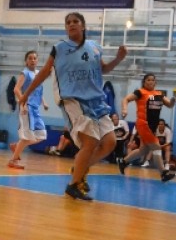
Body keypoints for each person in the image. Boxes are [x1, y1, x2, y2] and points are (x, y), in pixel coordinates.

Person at [18, 12, 127, 201]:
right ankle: (73, 185)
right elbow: (44, 72)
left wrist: (118, 59)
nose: (71, 25)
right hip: (73, 100)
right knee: (90, 142)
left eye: (75, 21)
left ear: (83, 26)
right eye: (68, 22)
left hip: (96, 100)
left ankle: (79, 169)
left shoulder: (94, 47)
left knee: (110, 142)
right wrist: (26, 95)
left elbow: (103, 69)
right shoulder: (59, 48)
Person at [118, 73, 176, 182]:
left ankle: (123, 162)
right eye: (148, 80)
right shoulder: (140, 92)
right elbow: (125, 99)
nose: (150, 82)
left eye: (152, 80)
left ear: (155, 82)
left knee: (143, 150)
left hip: (153, 126)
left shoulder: (159, 94)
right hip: (143, 123)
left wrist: (173, 100)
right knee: (156, 147)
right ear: (144, 82)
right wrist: (124, 109)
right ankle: (163, 173)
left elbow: (169, 105)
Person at [8, 50, 49, 169]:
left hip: (36, 109)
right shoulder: (25, 73)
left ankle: (17, 146)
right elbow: (16, 89)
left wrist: (44, 103)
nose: (32, 60)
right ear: (26, 61)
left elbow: (38, 91)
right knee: (26, 136)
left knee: (41, 135)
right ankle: (13, 160)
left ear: (37, 60)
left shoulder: (38, 74)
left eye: (35, 58)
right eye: (30, 58)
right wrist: (23, 103)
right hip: (27, 108)